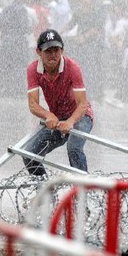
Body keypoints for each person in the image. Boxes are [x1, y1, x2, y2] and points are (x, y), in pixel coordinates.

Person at [22, 29, 94, 177]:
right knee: (29, 152)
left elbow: (82, 104)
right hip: (57, 117)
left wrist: (71, 122)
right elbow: (33, 105)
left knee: (74, 147)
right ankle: (44, 191)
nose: (53, 55)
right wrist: (48, 115)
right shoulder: (32, 69)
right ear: (39, 52)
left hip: (81, 115)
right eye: (48, 51)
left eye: (56, 50)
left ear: (62, 50)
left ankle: (83, 192)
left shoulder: (73, 67)